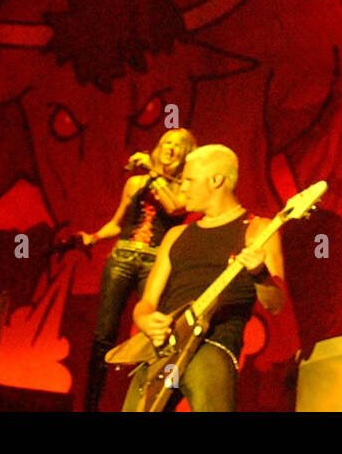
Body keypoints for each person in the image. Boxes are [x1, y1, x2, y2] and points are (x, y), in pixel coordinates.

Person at [120, 144, 284, 412]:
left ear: (217, 180)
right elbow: (146, 302)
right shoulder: (175, 236)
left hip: (213, 345)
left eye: (188, 180)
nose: (181, 188)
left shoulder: (259, 229)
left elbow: (276, 304)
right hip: (162, 351)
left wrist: (259, 273)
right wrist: (145, 320)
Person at [78, 128, 195, 411]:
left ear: (186, 154)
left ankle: (150, 400)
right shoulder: (135, 183)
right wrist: (93, 237)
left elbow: (175, 208)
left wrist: (155, 175)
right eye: (166, 142)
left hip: (155, 262)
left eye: (177, 146)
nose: (170, 148)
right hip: (122, 256)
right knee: (104, 333)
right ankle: (90, 405)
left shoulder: (184, 186)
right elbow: (118, 223)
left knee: (154, 332)